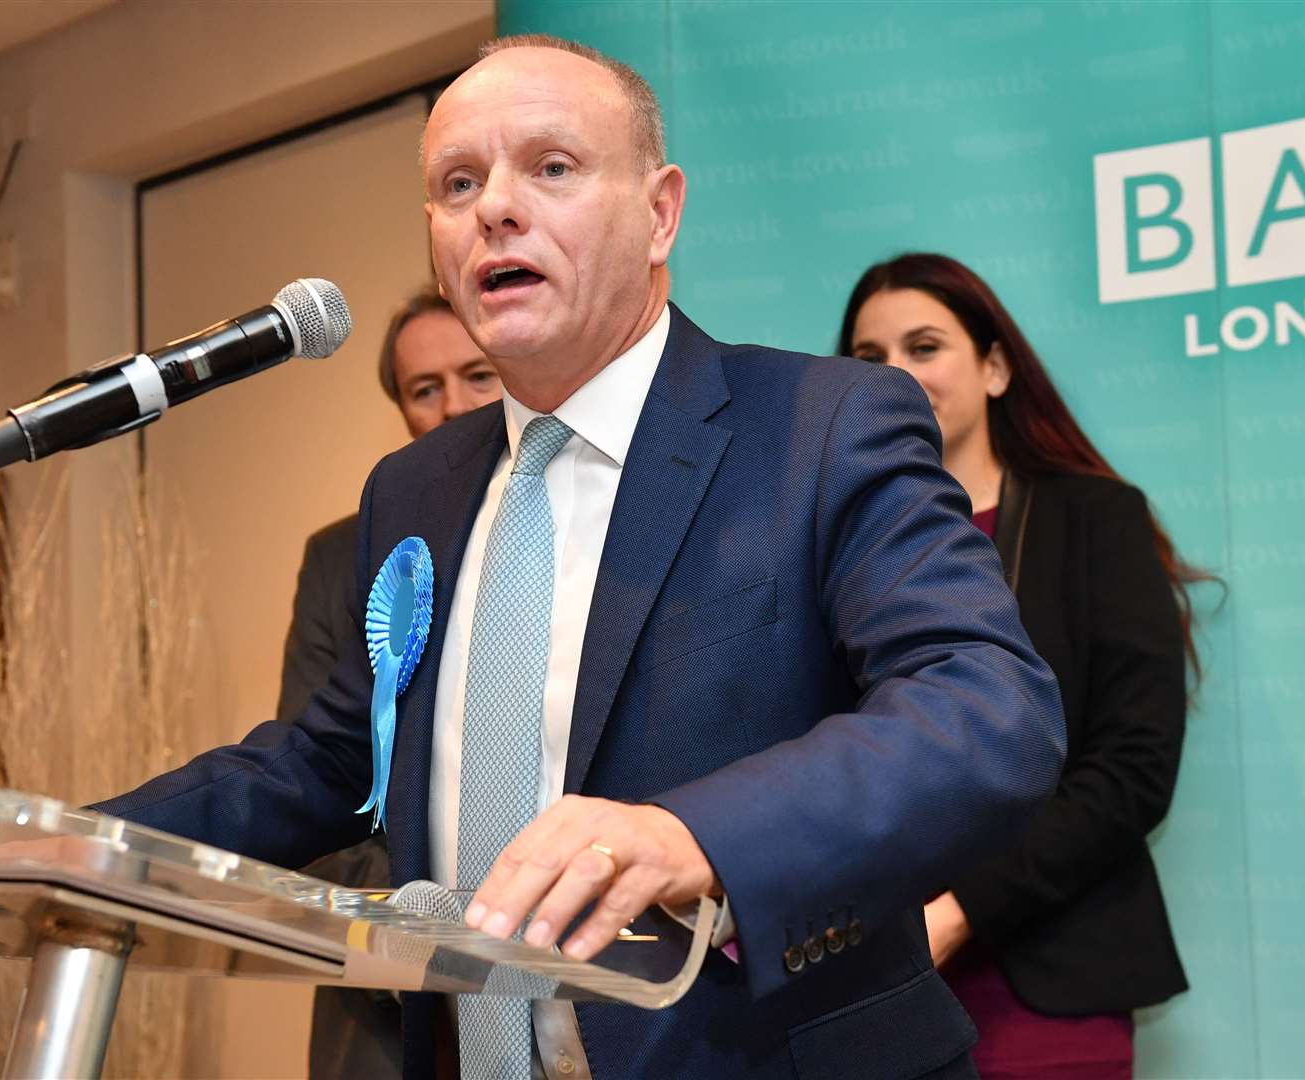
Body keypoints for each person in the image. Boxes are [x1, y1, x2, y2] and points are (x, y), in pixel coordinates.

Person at [95, 37, 1065, 1080]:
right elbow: (340, 758)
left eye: (550, 169)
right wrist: (57, 848)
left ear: (659, 212)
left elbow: (983, 707)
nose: (494, 210)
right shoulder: (411, 488)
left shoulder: (822, 427)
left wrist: (694, 837)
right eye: (457, 183)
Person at [840, 253, 1203, 1079]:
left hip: (1046, 979)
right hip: (868, 988)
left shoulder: (1094, 521)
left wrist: (963, 910)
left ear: (994, 368)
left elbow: (1132, 771)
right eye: (867, 359)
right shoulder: (830, 542)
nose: (895, 375)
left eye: (923, 347)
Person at [283, 291, 500, 1080]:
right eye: (423, 389)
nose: (452, 406)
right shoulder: (343, 557)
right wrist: (438, 929)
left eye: (478, 375)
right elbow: (317, 784)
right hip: (392, 1005)